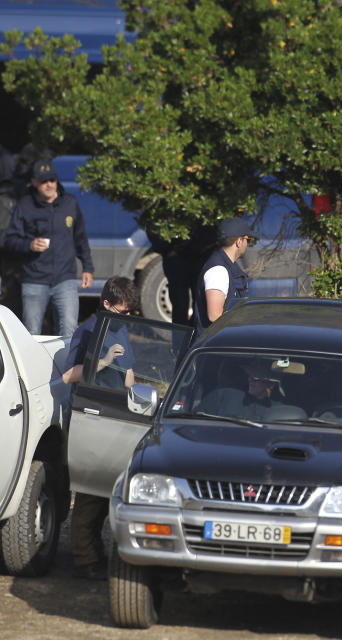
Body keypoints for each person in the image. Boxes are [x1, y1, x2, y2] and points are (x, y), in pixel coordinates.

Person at [61, 275, 139, 580]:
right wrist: (103, 361)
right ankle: (85, 558)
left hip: (120, 413)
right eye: (123, 312)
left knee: (115, 487)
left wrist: (136, 400)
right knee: (90, 491)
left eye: (132, 313)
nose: (128, 318)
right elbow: (68, 374)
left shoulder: (121, 327)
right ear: (106, 304)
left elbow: (129, 372)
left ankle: (109, 555)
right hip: (90, 414)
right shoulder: (87, 331)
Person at [3, 159, 94, 336]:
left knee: (68, 329)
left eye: (52, 180)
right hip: (34, 279)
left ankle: (66, 364)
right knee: (32, 332)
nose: (49, 185)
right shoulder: (25, 205)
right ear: (34, 182)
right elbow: (10, 240)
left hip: (64, 277)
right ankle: (33, 364)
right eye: (44, 181)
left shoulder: (69, 203)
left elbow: (80, 238)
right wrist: (29, 244)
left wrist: (88, 267)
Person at [194, 217, 257, 330]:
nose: (248, 244)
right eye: (248, 240)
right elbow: (215, 316)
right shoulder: (218, 271)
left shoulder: (227, 266)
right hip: (215, 344)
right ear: (238, 241)